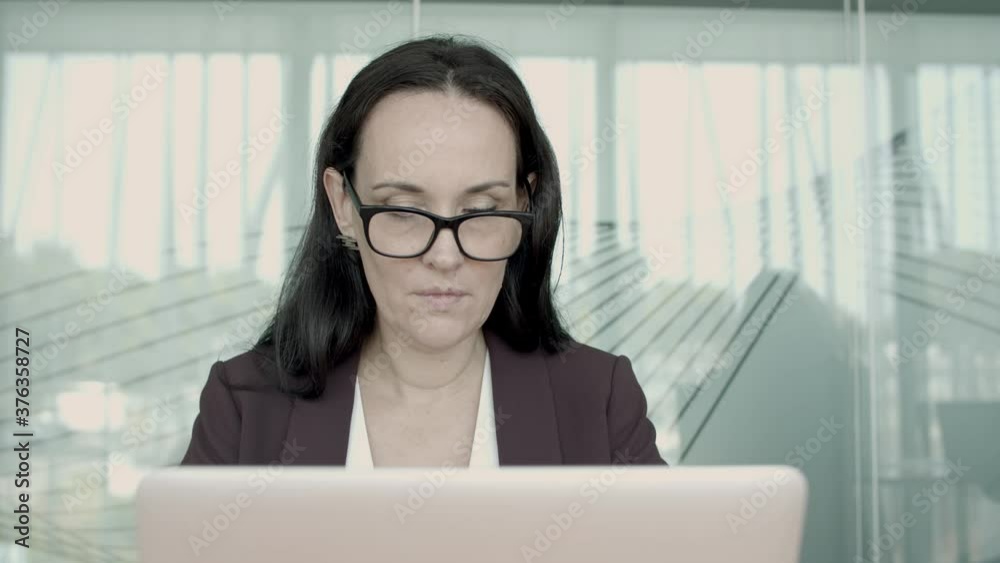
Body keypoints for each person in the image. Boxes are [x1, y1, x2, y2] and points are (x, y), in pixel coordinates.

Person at [180, 34, 666, 468]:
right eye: (404, 210)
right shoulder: (246, 405)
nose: (445, 256)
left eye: (480, 211)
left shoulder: (598, 400)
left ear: (525, 203)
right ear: (343, 204)